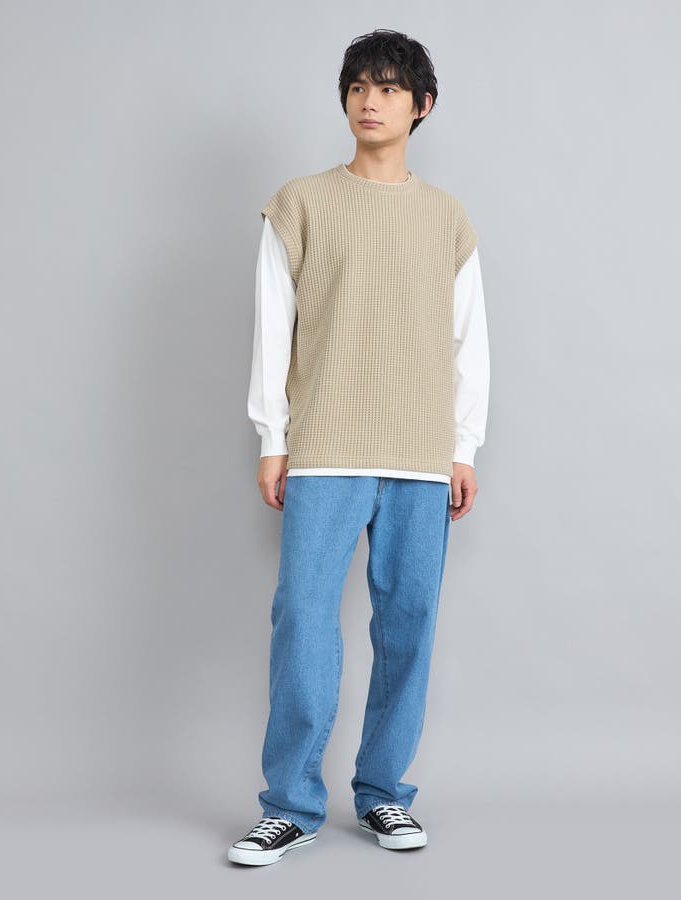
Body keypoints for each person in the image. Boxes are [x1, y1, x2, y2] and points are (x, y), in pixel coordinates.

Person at [229, 28, 490, 866]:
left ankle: (383, 795)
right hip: (326, 448)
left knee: (408, 626)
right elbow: (274, 328)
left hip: (421, 454)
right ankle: (290, 804)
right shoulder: (300, 203)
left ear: (422, 105)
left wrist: (464, 446)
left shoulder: (447, 217)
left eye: (387, 88)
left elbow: (469, 342)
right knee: (303, 620)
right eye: (357, 87)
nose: (369, 102)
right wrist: (273, 437)